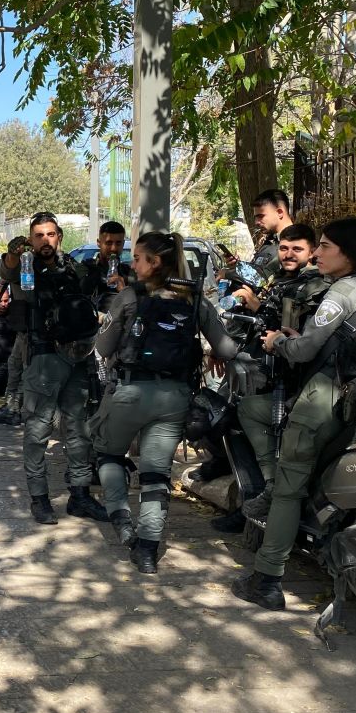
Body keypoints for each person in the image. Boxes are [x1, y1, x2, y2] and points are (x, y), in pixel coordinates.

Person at [233, 217, 356, 610]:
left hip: (325, 398)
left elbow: (306, 350)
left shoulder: (342, 291)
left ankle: (267, 579)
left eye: (326, 246)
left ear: (350, 252)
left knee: (288, 489)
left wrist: (278, 341)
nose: (319, 253)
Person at [92, 231, 238, 573]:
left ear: (154, 263)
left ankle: (121, 522)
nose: (132, 263)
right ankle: (147, 550)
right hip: (175, 398)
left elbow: (103, 347)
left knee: (110, 455)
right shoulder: (194, 299)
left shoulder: (130, 297)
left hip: (129, 394)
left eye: (138, 258)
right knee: (156, 472)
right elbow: (229, 348)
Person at [211, 223, 329, 532]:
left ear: (312, 251)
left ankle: (265, 497)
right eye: (285, 248)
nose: (289, 254)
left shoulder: (313, 286)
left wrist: (257, 306)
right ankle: (256, 499)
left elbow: (294, 332)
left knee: (247, 424)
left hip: (294, 381)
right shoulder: (283, 279)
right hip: (272, 372)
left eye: (297, 249)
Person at [17, 213, 107, 526]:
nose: (45, 240)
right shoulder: (25, 266)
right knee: (38, 431)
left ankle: (80, 495)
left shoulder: (71, 265)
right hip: (44, 359)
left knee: (78, 429)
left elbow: (91, 291)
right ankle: (39, 499)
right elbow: (12, 276)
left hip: (78, 357)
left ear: (59, 236)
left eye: (51, 234)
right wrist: (15, 257)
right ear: (31, 238)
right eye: (39, 235)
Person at [0, 235, 31, 426]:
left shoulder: (45, 264)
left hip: (36, 330)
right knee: (15, 366)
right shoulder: (23, 262)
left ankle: (17, 408)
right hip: (23, 327)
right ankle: (10, 405)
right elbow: (7, 274)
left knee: (25, 369)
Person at [79, 221, 131, 313]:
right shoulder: (85, 269)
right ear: (99, 243)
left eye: (118, 243)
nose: (113, 248)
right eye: (109, 243)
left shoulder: (129, 273)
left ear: (123, 244)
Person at [247, 189, 295, 281]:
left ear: (280, 213)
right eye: (256, 217)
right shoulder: (271, 240)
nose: (256, 222)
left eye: (261, 216)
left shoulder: (295, 242)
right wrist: (236, 266)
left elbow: (261, 277)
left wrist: (229, 273)